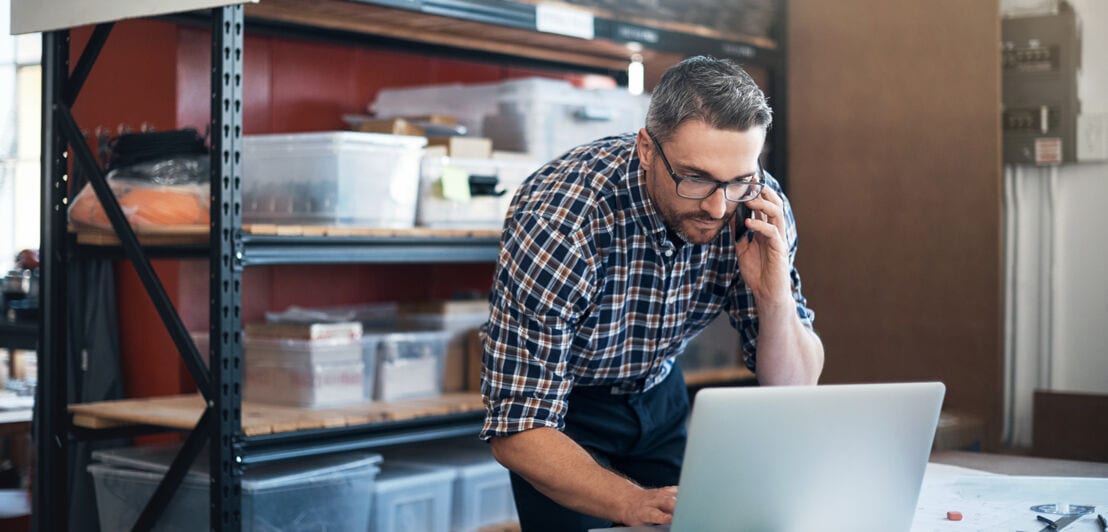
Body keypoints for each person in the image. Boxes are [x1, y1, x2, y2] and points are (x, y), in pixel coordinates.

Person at [480, 55, 825, 531]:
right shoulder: (562, 220)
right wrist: (629, 504)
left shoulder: (755, 205)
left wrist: (775, 299)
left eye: (739, 180)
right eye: (695, 177)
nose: (717, 206)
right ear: (646, 149)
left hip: (659, 394)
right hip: (565, 417)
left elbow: (794, 387)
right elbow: (517, 428)